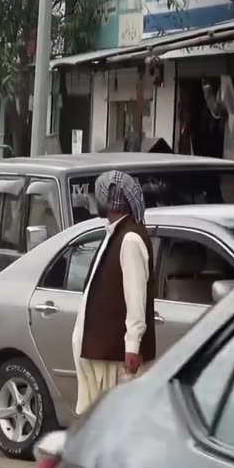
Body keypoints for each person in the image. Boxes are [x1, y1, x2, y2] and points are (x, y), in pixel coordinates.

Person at [72, 170, 156, 415]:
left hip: (119, 361)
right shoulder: (117, 233)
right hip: (105, 355)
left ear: (109, 200)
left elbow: (135, 296)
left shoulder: (130, 239)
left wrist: (132, 346)